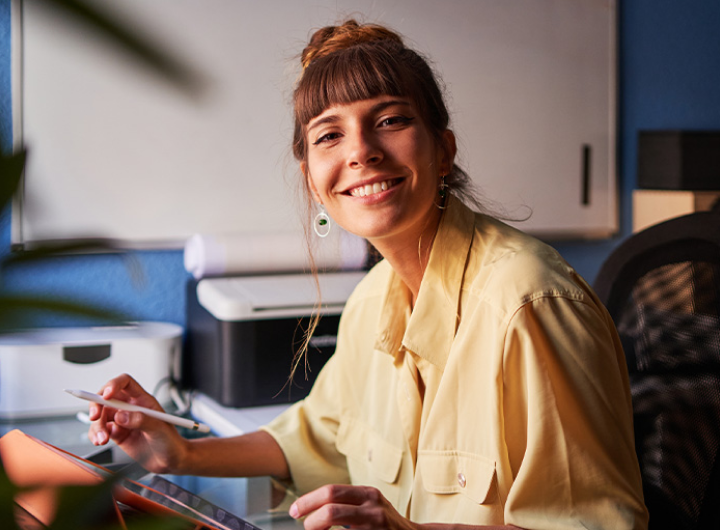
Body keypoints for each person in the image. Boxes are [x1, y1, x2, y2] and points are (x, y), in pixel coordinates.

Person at [89, 20, 649, 530]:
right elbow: (319, 438)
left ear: (444, 149)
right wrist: (179, 453)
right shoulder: (370, 300)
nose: (361, 151)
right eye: (330, 135)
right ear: (313, 181)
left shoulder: (528, 303)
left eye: (390, 121)